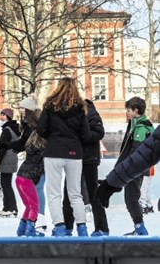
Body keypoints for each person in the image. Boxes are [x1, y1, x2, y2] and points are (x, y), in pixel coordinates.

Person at [36, 77, 91, 237]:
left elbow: (41, 129)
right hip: (74, 153)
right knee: (75, 193)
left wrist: (52, 136)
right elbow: (86, 135)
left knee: (54, 193)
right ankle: (82, 227)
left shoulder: (49, 106)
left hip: (53, 152)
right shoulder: (80, 108)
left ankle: (59, 226)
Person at [62, 98, 109, 236]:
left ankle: (101, 227)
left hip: (89, 159)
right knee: (68, 192)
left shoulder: (92, 114)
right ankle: (67, 226)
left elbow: (99, 133)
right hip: (74, 157)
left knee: (93, 192)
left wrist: (84, 136)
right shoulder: (72, 116)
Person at [113, 97, 153, 235]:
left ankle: (141, 228)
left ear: (136, 110)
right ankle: (139, 227)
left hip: (135, 169)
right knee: (130, 199)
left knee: (131, 199)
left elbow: (136, 152)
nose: (127, 113)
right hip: (133, 168)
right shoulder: (135, 124)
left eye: (129, 110)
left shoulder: (141, 127)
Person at [15, 129, 45, 237]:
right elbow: (42, 167)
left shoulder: (30, 149)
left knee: (28, 206)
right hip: (28, 179)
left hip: (19, 178)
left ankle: (21, 229)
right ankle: (30, 230)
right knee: (34, 206)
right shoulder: (42, 152)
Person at [0, 108, 20, 217]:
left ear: (8, 117)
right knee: (6, 184)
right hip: (12, 158)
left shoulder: (7, 130)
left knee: (6, 184)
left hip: (6, 159)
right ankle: (7, 207)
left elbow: (2, 148)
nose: (1, 117)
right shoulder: (14, 128)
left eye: (3, 115)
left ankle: (12, 207)